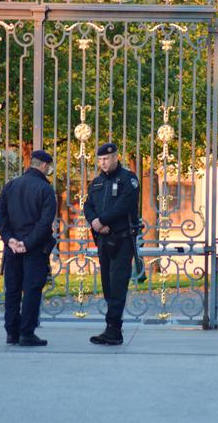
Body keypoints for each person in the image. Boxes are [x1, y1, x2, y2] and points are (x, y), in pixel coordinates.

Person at [0, 150, 57, 347]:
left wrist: (10, 239)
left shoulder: (11, 185)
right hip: (35, 249)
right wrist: (27, 243)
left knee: (12, 290)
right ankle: (26, 332)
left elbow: (0, 215)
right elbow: (45, 222)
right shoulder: (45, 190)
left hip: (12, 249)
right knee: (31, 289)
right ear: (45, 166)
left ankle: (11, 332)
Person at [83, 143, 140, 345]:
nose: (103, 163)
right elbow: (88, 205)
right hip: (103, 239)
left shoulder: (128, 179)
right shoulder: (97, 182)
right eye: (100, 160)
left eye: (106, 159)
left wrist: (103, 220)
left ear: (116, 157)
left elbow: (125, 204)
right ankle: (111, 328)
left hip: (122, 240)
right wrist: (95, 223)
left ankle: (114, 329)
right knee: (108, 284)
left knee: (117, 285)